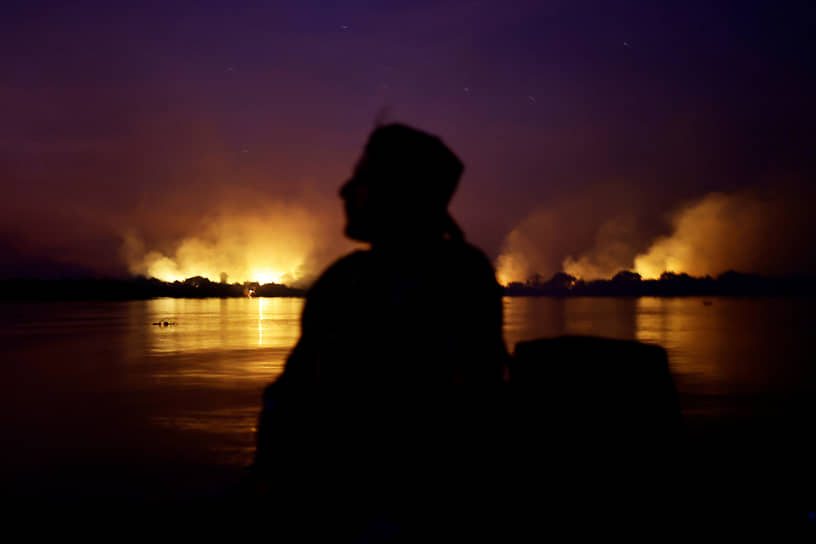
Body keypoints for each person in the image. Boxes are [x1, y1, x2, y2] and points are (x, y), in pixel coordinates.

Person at [251, 123, 510, 539]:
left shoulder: (451, 282)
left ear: (399, 191)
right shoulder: (352, 280)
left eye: (362, 179)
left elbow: (458, 421)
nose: (344, 191)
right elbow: (294, 396)